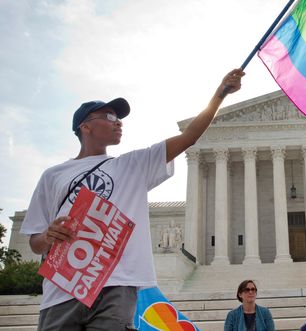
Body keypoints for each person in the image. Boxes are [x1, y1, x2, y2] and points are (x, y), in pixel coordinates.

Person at [20, 68, 245, 330]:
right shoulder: (53, 176)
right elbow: (35, 242)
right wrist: (48, 236)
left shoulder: (132, 166)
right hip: (63, 289)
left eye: (118, 117)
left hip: (116, 285)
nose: (118, 122)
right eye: (109, 116)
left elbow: (189, 137)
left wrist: (219, 95)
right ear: (85, 126)